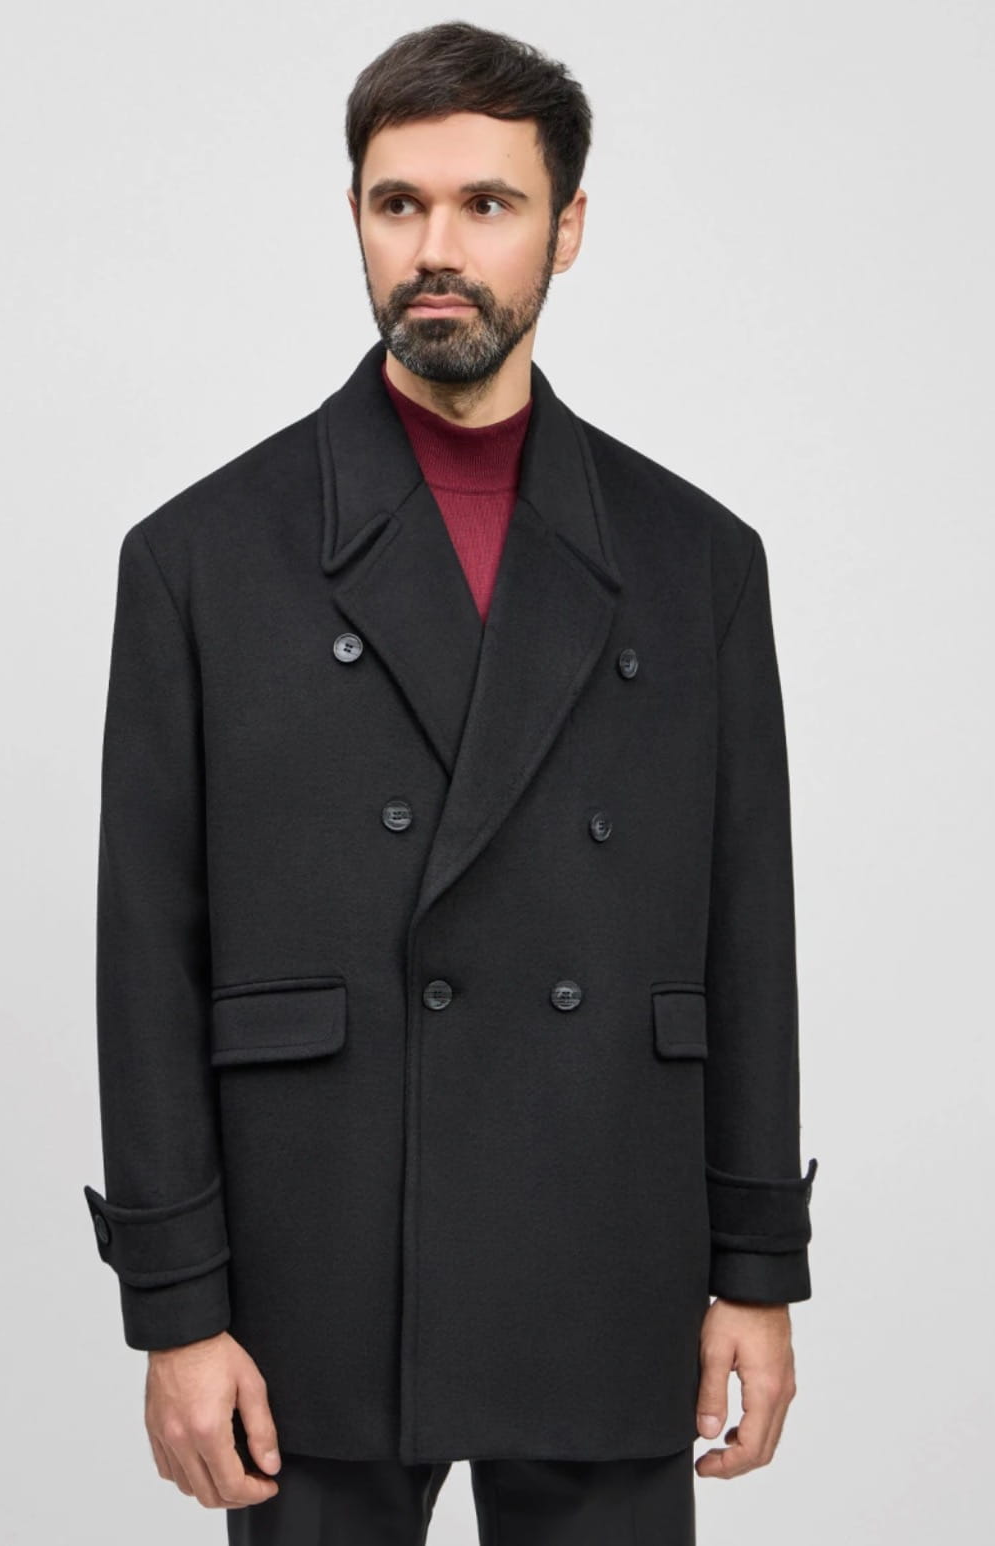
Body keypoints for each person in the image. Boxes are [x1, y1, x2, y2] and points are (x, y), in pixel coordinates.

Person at [82, 21, 818, 1544]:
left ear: (567, 227)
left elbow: (747, 930)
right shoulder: (201, 557)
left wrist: (756, 1268)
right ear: (354, 216)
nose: (437, 248)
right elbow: (146, 955)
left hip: (605, 1236)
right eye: (398, 202)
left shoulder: (696, 561)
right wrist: (175, 1306)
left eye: (487, 204)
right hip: (313, 1259)